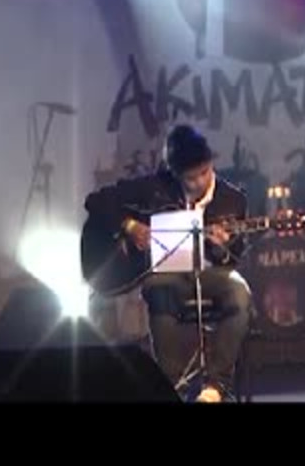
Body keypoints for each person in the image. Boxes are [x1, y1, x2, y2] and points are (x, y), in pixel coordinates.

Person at [83, 124, 252, 403]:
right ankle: (171, 386)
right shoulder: (156, 187)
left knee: (240, 293)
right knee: (160, 287)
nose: (200, 182)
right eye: (191, 178)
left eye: (205, 172)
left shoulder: (233, 199)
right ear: (175, 174)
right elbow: (96, 200)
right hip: (165, 273)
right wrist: (130, 226)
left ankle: (215, 386)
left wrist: (221, 248)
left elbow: (234, 257)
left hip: (210, 273)